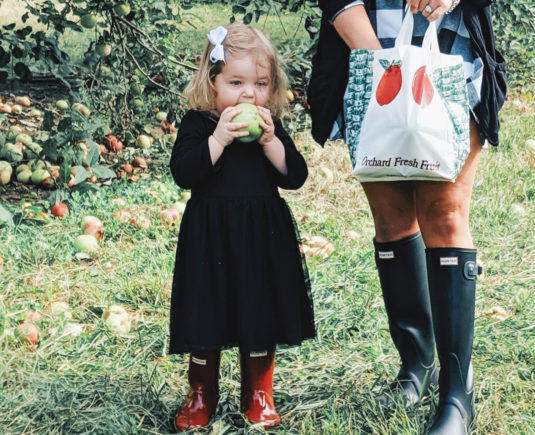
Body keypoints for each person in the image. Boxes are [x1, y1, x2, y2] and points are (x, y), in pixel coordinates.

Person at [308, 0, 506, 433]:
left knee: (445, 212)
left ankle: (458, 395)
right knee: (391, 219)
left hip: (449, 47)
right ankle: (416, 365)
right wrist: (379, 59)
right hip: (365, 42)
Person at [168, 23, 315, 432]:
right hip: (209, 238)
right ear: (211, 82)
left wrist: (270, 143)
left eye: (260, 83)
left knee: (259, 310)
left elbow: (295, 176)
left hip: (261, 239)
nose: (249, 94)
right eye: (236, 82)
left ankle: (258, 391)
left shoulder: (269, 127)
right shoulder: (199, 124)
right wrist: (218, 139)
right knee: (205, 313)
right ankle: (201, 392)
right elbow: (184, 172)